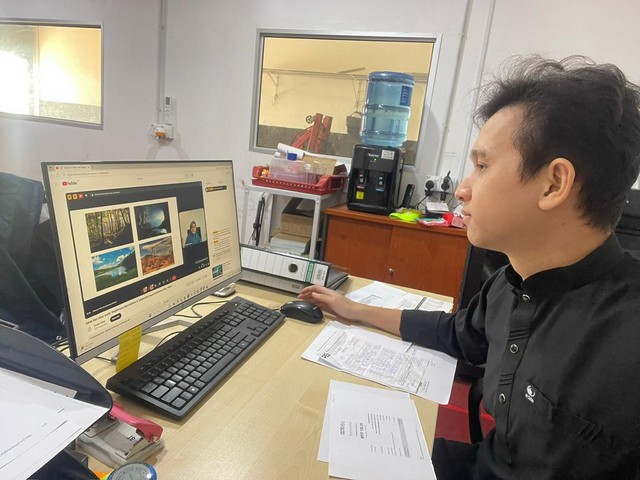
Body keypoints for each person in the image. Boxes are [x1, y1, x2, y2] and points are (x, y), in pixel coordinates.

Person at [299, 55, 640, 479]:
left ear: (554, 184)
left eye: (482, 166)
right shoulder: (511, 283)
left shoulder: (627, 341)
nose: (462, 189)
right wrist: (355, 310)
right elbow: (456, 333)